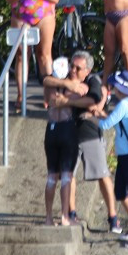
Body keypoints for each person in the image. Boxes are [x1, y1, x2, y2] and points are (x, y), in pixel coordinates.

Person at [45, 51, 120, 233]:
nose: (73, 70)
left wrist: (67, 101)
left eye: (78, 68)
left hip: (88, 132)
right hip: (67, 133)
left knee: (102, 174)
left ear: (87, 70)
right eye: (72, 66)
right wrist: (66, 85)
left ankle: (113, 217)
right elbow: (46, 80)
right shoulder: (64, 78)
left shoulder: (92, 80)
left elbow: (93, 98)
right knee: (68, 175)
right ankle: (70, 213)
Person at [96, 70, 128, 249]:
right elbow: (115, 121)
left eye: (114, 86)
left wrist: (94, 115)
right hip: (125, 155)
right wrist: (103, 116)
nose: (112, 89)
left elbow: (106, 124)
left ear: (120, 88)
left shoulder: (124, 105)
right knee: (121, 192)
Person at [4, 0, 60, 105]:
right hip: (21, 15)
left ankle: (48, 95)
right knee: (21, 55)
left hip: (44, 15)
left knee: (44, 55)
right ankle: (21, 95)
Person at [43, 58, 78, 226]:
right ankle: (65, 216)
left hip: (51, 129)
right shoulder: (72, 85)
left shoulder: (48, 86)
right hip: (66, 127)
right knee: (66, 176)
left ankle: (48, 217)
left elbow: (46, 79)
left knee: (51, 178)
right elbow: (84, 92)